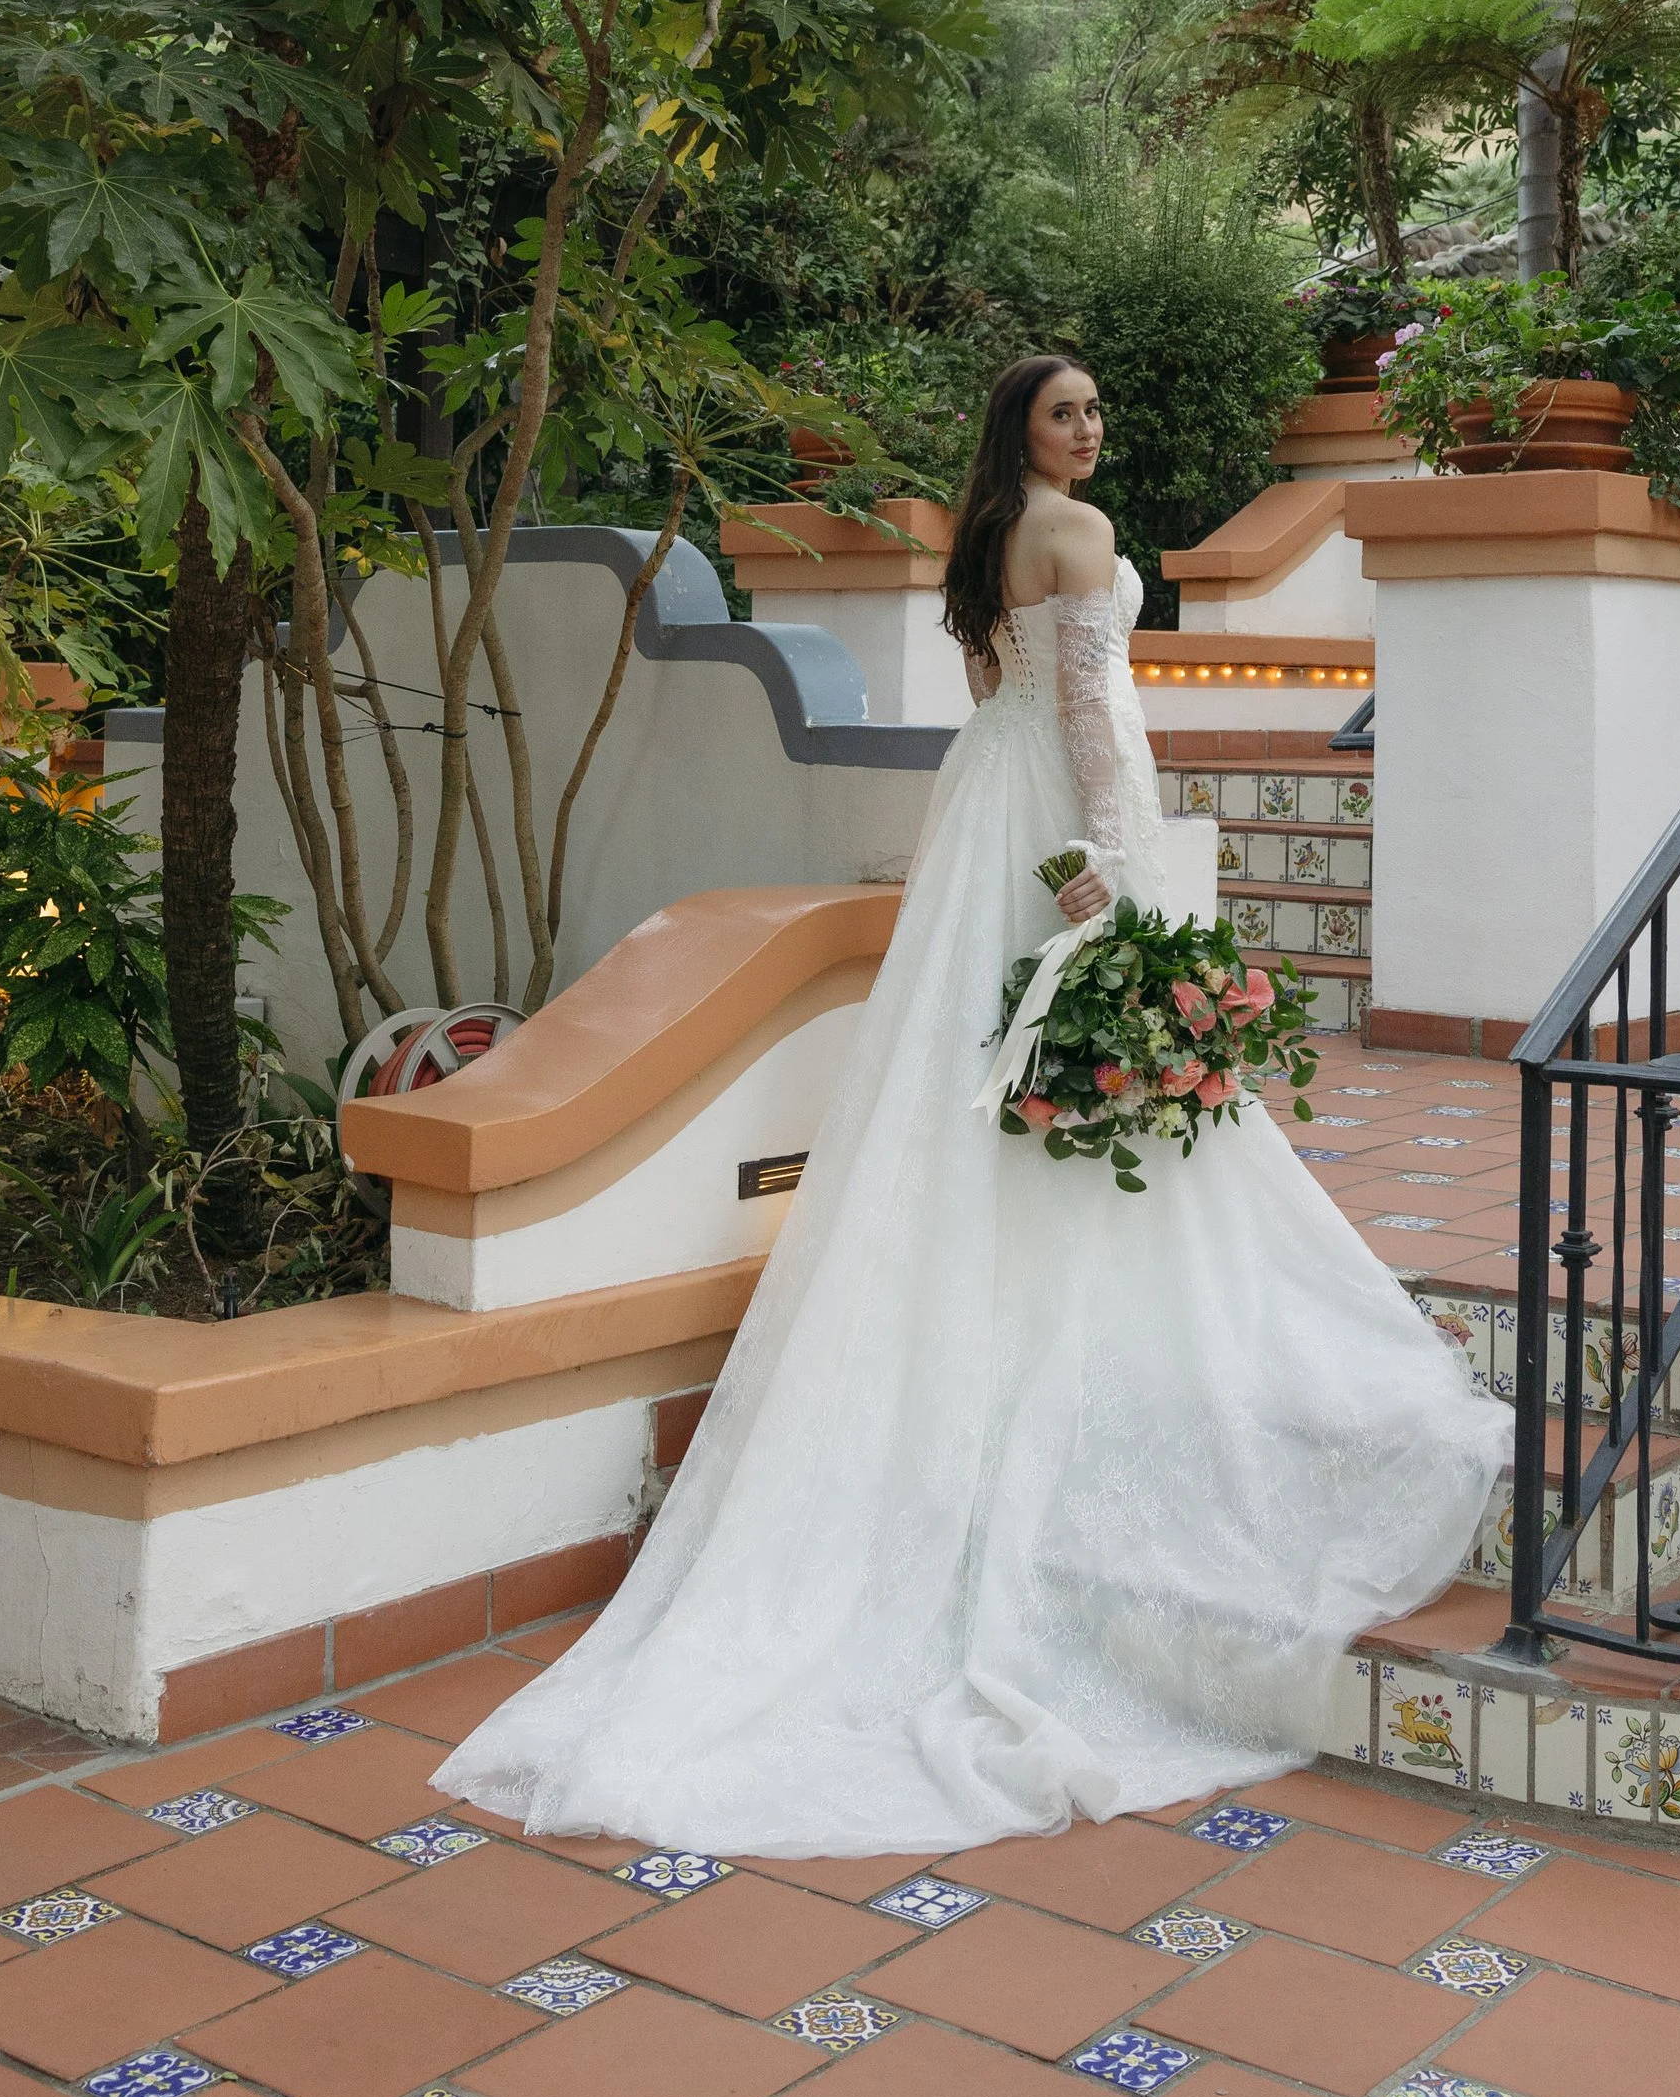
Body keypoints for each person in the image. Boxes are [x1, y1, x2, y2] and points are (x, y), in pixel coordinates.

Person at [435, 353, 1510, 1854]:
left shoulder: (985, 533)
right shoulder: (1073, 531)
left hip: (981, 817)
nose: (1092, 425)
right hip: (1058, 825)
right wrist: (1119, 883)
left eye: (1093, 407)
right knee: (1081, 1082)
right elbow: (1092, 712)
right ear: (1025, 427)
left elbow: (997, 695)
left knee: (979, 1096)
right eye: (1069, 410)